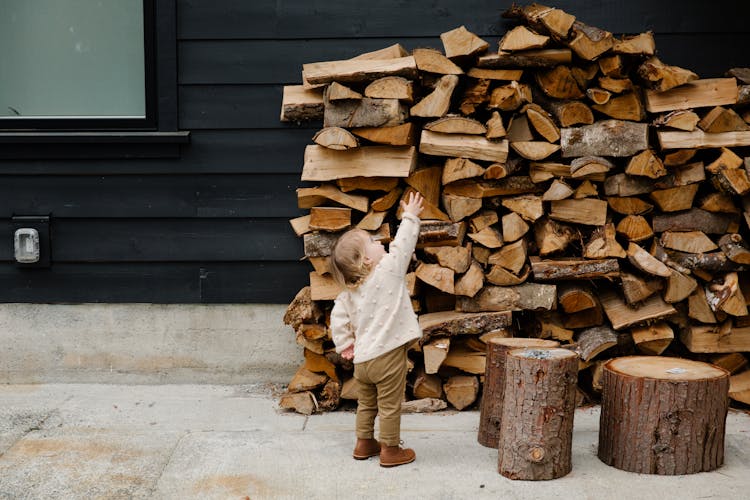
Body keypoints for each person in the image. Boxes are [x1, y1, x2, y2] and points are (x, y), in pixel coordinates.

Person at [329, 191, 424, 468]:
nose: (380, 242)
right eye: (372, 242)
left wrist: (345, 345)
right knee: (390, 405)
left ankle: (363, 443)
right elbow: (403, 246)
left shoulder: (350, 291)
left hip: (363, 360)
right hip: (387, 355)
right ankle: (391, 450)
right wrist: (410, 216)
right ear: (366, 260)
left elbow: (338, 317)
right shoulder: (388, 272)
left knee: (367, 404)